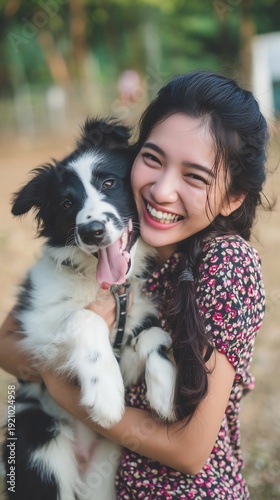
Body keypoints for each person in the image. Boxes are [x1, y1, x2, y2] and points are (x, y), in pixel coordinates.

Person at [0, 70, 269, 499]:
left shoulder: (224, 264)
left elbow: (189, 452)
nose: (162, 191)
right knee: (18, 443)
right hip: (94, 472)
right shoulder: (108, 250)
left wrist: (59, 388)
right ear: (132, 156)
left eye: (195, 176)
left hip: (176, 490)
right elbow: (7, 344)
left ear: (233, 197)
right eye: (153, 159)